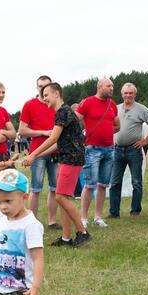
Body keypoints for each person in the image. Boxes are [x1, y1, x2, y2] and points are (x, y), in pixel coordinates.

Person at [24, 82, 92, 247]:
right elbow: (59, 143)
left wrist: (33, 154)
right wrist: (37, 155)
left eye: (46, 94)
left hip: (71, 159)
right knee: (63, 197)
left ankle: (83, 232)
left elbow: (53, 139)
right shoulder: (64, 112)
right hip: (66, 157)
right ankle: (66, 238)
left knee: (60, 196)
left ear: (56, 94)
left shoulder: (62, 112)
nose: (44, 98)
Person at [74, 78, 120, 228]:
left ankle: (98, 217)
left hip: (109, 149)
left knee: (102, 185)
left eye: (112, 86)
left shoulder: (112, 104)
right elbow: (75, 120)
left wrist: (106, 133)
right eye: (109, 86)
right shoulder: (87, 102)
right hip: (92, 149)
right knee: (89, 185)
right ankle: (83, 218)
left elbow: (117, 125)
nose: (112, 88)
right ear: (100, 87)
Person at [109, 83, 148, 218]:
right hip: (117, 150)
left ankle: (135, 210)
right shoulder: (116, 108)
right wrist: (111, 138)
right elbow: (109, 124)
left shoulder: (141, 109)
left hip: (134, 150)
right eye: (126, 93)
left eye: (131, 93)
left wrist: (146, 141)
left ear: (135, 94)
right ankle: (114, 212)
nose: (128, 95)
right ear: (122, 94)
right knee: (114, 182)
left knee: (136, 182)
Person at [19, 75, 60, 229]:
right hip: (37, 152)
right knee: (35, 189)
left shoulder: (56, 106)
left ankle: (52, 221)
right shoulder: (29, 105)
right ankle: (33, 222)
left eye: (46, 86)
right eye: (40, 86)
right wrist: (44, 132)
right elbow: (22, 130)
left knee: (55, 188)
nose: (43, 89)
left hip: (56, 151)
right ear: (36, 87)